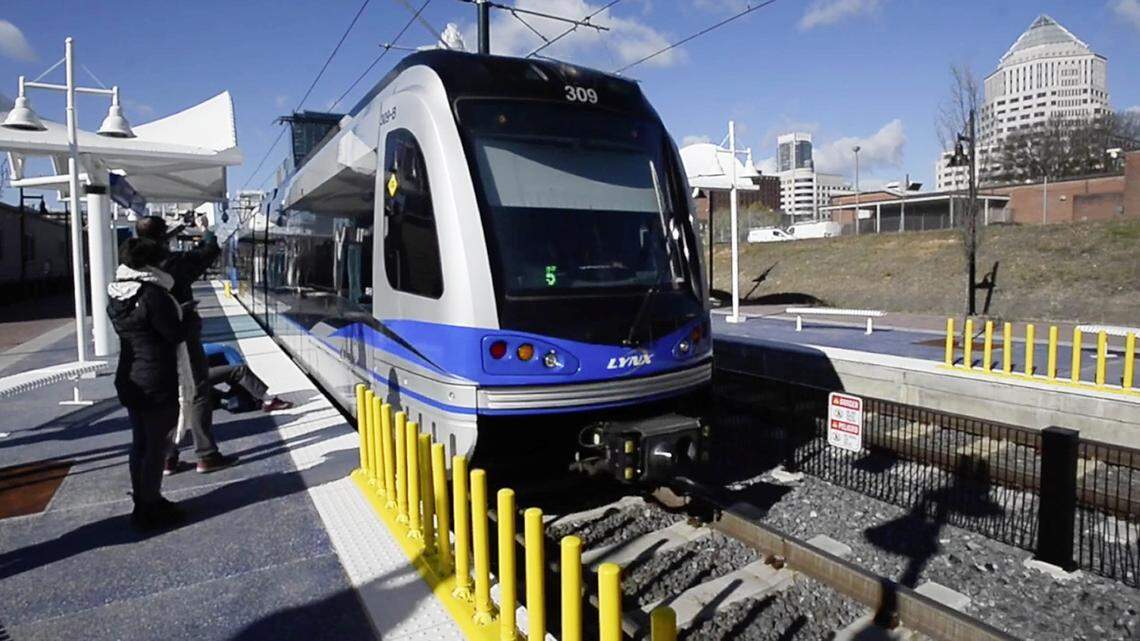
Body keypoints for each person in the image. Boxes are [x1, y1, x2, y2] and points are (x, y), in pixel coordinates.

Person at [136, 214, 239, 475]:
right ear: (165, 238)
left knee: (168, 395)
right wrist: (206, 230)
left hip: (151, 343)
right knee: (197, 390)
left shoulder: (134, 266)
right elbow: (208, 252)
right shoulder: (174, 263)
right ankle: (206, 455)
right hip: (182, 334)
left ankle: (168, 457)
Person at [107, 238, 191, 530]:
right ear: (151, 265)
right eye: (163, 260)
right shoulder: (153, 294)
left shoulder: (117, 294)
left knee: (140, 443)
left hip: (130, 378)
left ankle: (144, 500)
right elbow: (173, 334)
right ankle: (149, 507)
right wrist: (189, 317)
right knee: (156, 446)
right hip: (156, 379)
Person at [164, 364, 293, 476]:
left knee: (170, 408)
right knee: (235, 372)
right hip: (187, 372)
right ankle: (207, 456)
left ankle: (168, 460)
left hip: (160, 375)